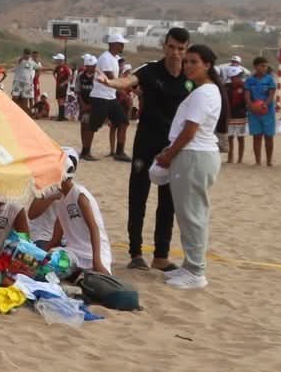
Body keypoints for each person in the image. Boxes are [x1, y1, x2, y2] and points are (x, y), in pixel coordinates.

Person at [108, 28, 189, 273]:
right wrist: (110, 82)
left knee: (168, 201)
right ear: (164, 46)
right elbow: (128, 81)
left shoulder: (189, 76)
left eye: (181, 48)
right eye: (172, 47)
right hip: (146, 143)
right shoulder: (151, 70)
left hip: (173, 146)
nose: (175, 53)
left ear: (186, 49)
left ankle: (161, 256)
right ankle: (135, 253)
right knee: (138, 197)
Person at [152, 45, 223, 290]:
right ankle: (190, 265)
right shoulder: (204, 91)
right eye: (187, 62)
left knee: (192, 215)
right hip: (193, 154)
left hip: (194, 155)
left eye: (194, 62)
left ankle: (195, 270)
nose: (188, 66)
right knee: (187, 213)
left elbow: (190, 131)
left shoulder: (204, 93)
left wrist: (168, 155)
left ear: (207, 65)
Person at [50, 150, 111, 274]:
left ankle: (82, 275)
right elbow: (55, 239)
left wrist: (97, 261)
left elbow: (94, 228)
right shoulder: (61, 201)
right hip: (74, 252)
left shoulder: (79, 194)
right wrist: (41, 256)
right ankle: (78, 276)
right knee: (51, 262)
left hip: (94, 253)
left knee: (100, 281)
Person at [85, 33, 130, 161]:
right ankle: (85, 151)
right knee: (94, 125)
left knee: (123, 123)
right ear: (113, 44)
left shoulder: (114, 58)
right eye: (121, 44)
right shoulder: (105, 58)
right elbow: (110, 77)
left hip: (110, 97)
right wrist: (123, 91)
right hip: (100, 97)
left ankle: (119, 152)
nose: (122, 46)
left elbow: (115, 78)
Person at [244, 56, 278, 166]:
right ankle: (258, 161)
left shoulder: (270, 80)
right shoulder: (249, 80)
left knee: (269, 136)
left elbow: (271, 95)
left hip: (267, 111)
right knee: (257, 136)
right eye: (262, 66)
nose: (264, 68)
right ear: (255, 66)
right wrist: (251, 105)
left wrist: (264, 105)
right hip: (254, 112)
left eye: (266, 66)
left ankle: (269, 161)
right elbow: (247, 95)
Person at [222, 63, 249, 164]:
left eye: (238, 76)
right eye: (234, 77)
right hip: (230, 116)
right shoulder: (226, 87)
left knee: (241, 138)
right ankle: (230, 158)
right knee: (230, 138)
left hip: (241, 115)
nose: (236, 78)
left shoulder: (244, 86)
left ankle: (240, 159)